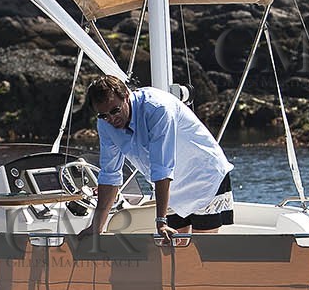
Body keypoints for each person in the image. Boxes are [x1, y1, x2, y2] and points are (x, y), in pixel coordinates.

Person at [83, 75, 234, 240]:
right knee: (177, 250)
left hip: (205, 175)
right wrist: (96, 226)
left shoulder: (157, 108)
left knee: (203, 251)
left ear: (126, 96)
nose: (111, 119)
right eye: (103, 115)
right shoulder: (105, 124)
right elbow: (109, 175)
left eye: (115, 111)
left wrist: (161, 222)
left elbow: (161, 167)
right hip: (172, 188)